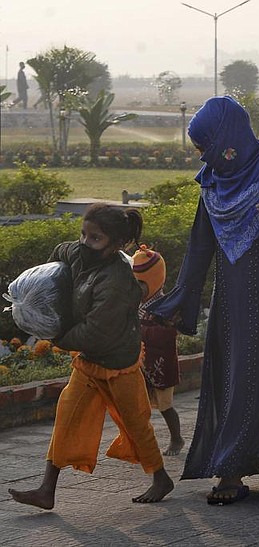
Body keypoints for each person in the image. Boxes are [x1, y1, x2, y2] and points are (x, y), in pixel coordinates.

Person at [145, 96, 259, 505]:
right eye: (199, 148)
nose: (202, 155)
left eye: (205, 145)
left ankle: (230, 472)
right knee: (233, 378)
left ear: (228, 139)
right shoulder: (212, 182)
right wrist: (178, 300)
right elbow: (198, 248)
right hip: (230, 307)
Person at [8, 203, 174, 510]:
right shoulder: (80, 255)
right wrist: (47, 286)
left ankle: (160, 477)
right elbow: (61, 252)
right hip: (88, 363)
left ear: (116, 245)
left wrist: (55, 336)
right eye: (83, 234)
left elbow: (95, 332)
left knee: (135, 424)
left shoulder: (117, 282)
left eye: (95, 238)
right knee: (67, 417)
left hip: (118, 364)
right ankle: (47, 490)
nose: (85, 243)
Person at [132, 244, 184, 456]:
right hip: (140, 362)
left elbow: (171, 333)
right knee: (137, 405)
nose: (138, 289)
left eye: (141, 284)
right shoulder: (136, 303)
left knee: (165, 405)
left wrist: (144, 331)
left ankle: (177, 438)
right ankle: (139, 442)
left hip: (161, 364)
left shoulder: (166, 305)